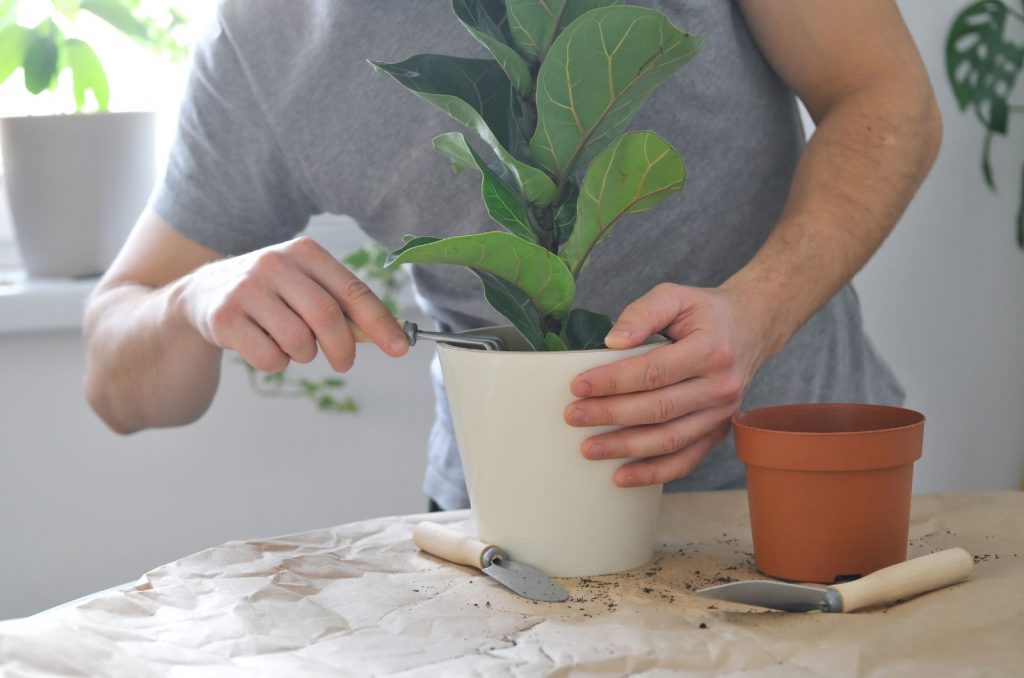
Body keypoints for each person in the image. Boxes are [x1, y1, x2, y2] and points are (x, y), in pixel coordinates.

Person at [83, 0, 941, 510]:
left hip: (803, 486)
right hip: (501, 535)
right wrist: (192, 299)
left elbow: (885, 94)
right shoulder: (264, 40)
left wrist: (760, 310)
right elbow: (117, 376)